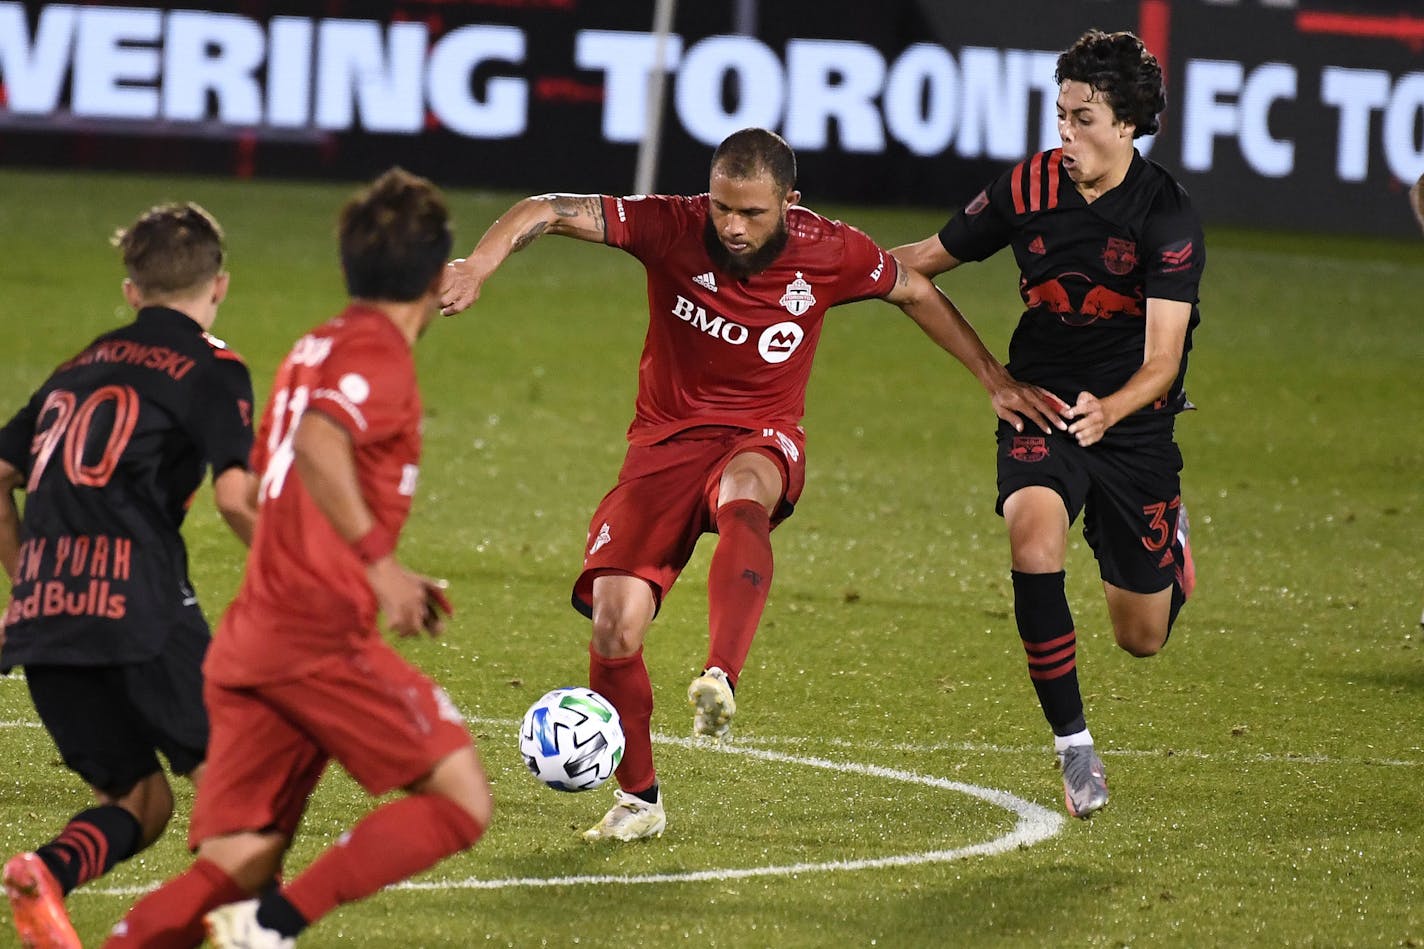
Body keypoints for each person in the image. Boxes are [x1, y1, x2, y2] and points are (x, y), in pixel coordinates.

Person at [440, 127, 1061, 842]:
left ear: (790, 204)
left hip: (761, 434)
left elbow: (914, 288)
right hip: (663, 447)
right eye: (723, 208)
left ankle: (719, 676)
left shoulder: (830, 249)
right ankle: (639, 799)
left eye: (753, 213)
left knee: (745, 489)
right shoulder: (670, 224)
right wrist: (478, 264)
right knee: (614, 623)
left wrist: (993, 378)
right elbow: (545, 208)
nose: (732, 226)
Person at [103, 168, 492, 948]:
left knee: (239, 860)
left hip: (253, 634)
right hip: (313, 638)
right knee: (460, 799)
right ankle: (273, 926)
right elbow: (318, 440)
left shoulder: (317, 341)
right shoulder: (375, 354)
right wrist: (379, 566)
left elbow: (257, 486)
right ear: (439, 274)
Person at [894, 29, 1204, 819]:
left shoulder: (1165, 213)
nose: (1065, 134)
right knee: (1032, 538)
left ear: (1129, 125)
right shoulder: (1027, 186)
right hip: (1042, 403)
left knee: (1143, 636)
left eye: (1084, 118)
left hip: (1132, 422)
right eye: (1060, 114)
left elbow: (1164, 358)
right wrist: (819, 264)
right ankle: (1074, 747)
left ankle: (1170, 541)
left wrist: (1114, 409)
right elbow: (921, 261)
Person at [0, 202, 257, 948]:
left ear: (131, 290)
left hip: (46, 618)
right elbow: (237, 497)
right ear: (220, 286)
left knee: (138, 799)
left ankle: (45, 873)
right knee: (236, 774)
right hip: (141, 603)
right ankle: (236, 929)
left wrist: (29, 580)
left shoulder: (75, 367)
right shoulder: (213, 365)